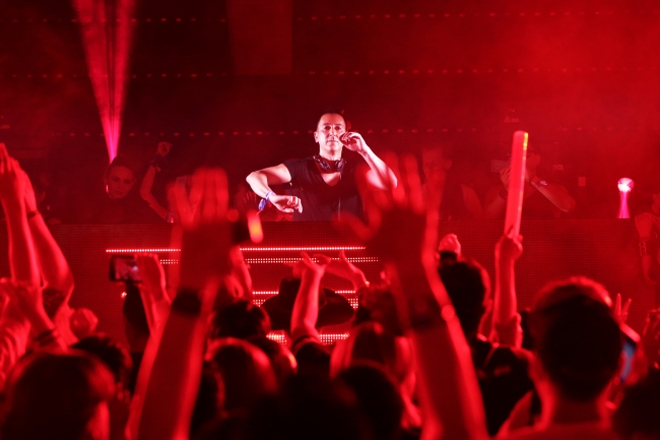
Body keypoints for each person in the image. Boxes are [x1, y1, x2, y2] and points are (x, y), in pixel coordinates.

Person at [245, 110, 396, 221]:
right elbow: (254, 177)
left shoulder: (356, 170)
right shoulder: (298, 168)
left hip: (350, 249)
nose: (332, 133)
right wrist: (272, 197)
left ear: (346, 134)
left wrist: (364, 150)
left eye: (338, 128)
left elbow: (390, 183)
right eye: (326, 128)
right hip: (307, 250)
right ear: (316, 136)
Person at [483, 145, 575, 219]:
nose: (519, 158)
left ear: (537, 158)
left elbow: (568, 206)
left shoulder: (547, 185)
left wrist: (534, 180)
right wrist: (506, 190)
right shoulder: (497, 190)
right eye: (513, 154)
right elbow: (486, 219)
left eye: (525, 153)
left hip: (542, 236)